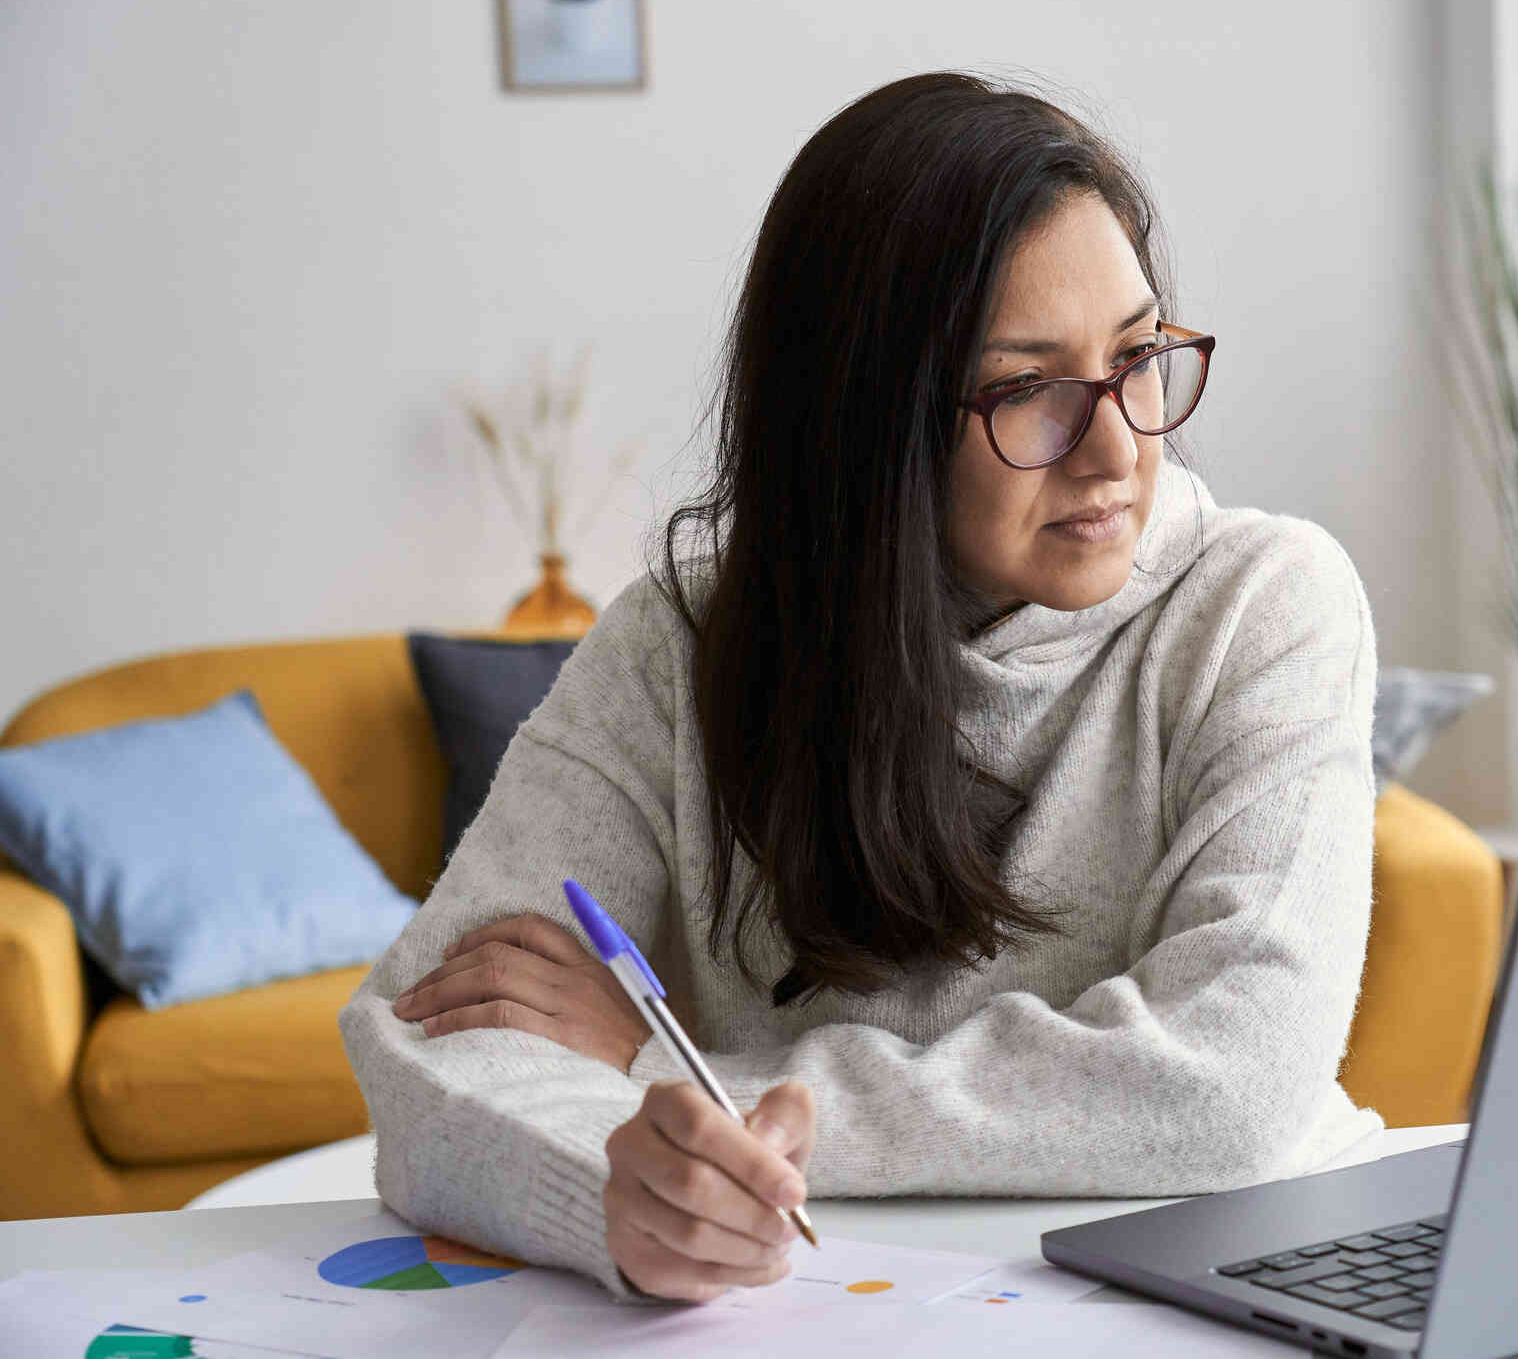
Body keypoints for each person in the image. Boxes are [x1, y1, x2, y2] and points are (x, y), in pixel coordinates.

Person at [340, 70, 1381, 1304]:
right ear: (864, 422)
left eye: (1140, 355)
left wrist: (687, 1080)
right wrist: (613, 1194)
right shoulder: (680, 646)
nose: (1120, 447)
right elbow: (427, 1039)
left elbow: (1232, 1081)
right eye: (1028, 389)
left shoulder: (1264, 603)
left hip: (1219, 1302)